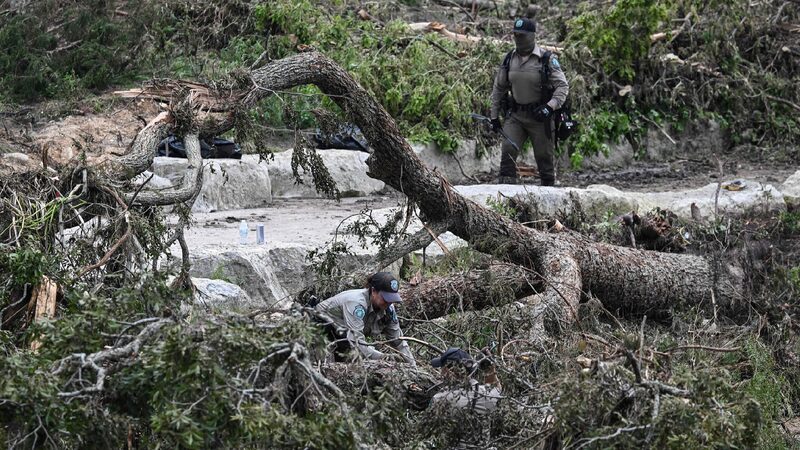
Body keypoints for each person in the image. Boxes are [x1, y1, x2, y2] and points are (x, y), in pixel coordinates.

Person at [489, 17, 569, 186]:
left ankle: (550, 195)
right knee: (508, 152)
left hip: (540, 119)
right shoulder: (509, 58)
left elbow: (562, 87)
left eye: (522, 35)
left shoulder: (546, 59)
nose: (518, 38)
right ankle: (505, 195)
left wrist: (550, 107)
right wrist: (494, 117)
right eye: (516, 35)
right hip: (516, 116)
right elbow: (498, 88)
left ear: (532, 36)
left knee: (544, 158)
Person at [314, 272, 416, 366]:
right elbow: (357, 342)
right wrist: (384, 358)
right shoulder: (355, 303)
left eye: (392, 299)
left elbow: (398, 340)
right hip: (320, 331)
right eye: (386, 298)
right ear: (373, 291)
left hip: (344, 337)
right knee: (327, 369)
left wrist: (412, 364)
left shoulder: (389, 308)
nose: (389, 302)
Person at [430, 347, 502, 415]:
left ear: (449, 371)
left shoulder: (439, 399)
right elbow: (496, 388)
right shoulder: (489, 396)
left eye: (442, 368)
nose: (441, 373)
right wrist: (490, 366)